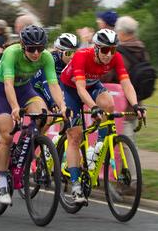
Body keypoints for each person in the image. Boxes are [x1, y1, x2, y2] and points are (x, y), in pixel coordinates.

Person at [60, 28, 146, 203]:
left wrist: (136, 105)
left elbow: (126, 82)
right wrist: (92, 107)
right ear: (97, 48)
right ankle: (75, 186)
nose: (109, 54)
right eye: (105, 50)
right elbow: (80, 89)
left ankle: (100, 145)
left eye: (112, 49)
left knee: (108, 104)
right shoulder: (82, 56)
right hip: (71, 88)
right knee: (75, 137)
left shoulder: (116, 57)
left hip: (92, 84)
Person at [0, 25, 67, 205]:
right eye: (32, 49)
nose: (36, 53)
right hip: (1, 89)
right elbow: (8, 85)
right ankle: (1, 181)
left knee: (44, 116)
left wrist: (63, 106)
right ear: (23, 46)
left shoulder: (46, 57)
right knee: (7, 135)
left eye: (40, 48)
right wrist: (15, 107)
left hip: (24, 88)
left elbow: (53, 85)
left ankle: (24, 144)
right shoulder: (11, 53)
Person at [100, 16, 151, 143]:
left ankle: (131, 164)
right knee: (130, 140)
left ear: (121, 33)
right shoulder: (142, 50)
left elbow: (107, 76)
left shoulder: (119, 53)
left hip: (120, 105)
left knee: (125, 144)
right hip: (137, 102)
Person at [31, 32, 79, 110]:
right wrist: (53, 103)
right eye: (69, 53)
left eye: (75, 52)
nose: (72, 56)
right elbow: (47, 85)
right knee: (45, 118)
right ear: (59, 52)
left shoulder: (74, 61)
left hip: (54, 87)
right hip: (38, 89)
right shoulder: (50, 60)